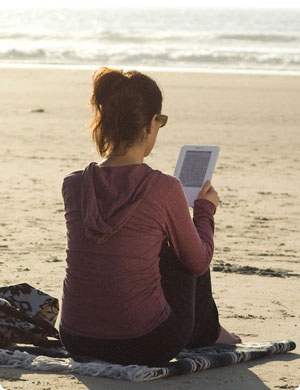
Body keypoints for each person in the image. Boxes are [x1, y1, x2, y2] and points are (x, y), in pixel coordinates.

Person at [59, 67, 241, 366]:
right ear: (151, 124)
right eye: (161, 121)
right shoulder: (164, 187)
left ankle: (211, 329)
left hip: (77, 338)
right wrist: (205, 211)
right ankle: (211, 332)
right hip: (145, 343)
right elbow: (197, 261)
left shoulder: (74, 184)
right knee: (189, 247)